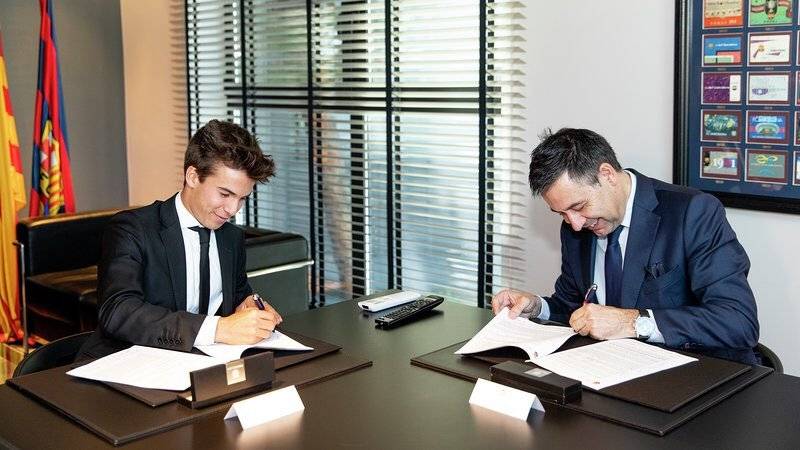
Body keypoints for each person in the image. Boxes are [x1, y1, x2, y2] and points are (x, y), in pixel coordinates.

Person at [492, 128, 760, 364]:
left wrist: (633, 322)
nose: (575, 223)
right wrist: (538, 307)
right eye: (562, 213)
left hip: (695, 375)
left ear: (607, 174)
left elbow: (737, 321)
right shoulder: (576, 229)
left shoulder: (692, 212)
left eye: (578, 206)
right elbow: (575, 307)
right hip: (611, 372)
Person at [78, 120, 283, 359]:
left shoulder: (231, 238)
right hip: (128, 362)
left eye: (242, 198)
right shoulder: (132, 229)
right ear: (193, 176)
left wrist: (248, 306)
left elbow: (237, 295)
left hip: (202, 364)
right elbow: (119, 311)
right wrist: (218, 329)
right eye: (225, 194)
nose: (232, 209)